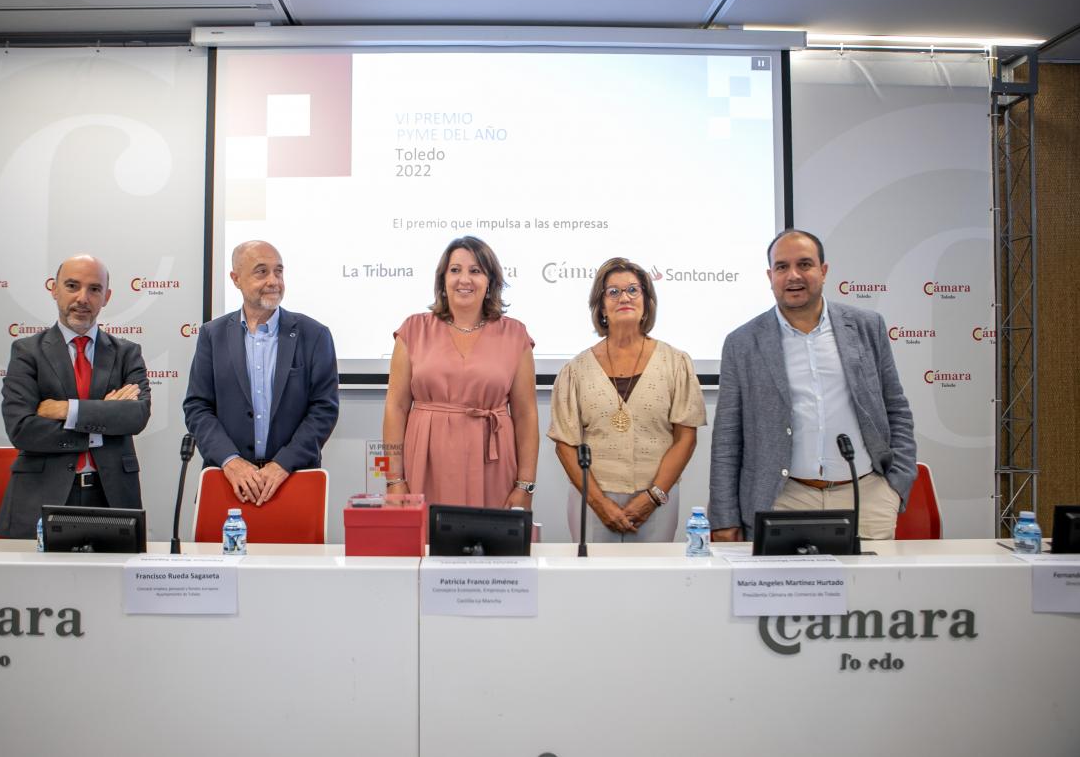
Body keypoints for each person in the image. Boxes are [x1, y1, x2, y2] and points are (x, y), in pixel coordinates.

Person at [708, 229, 917, 541]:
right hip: (783, 499)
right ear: (770, 275)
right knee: (784, 590)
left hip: (866, 495)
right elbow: (727, 437)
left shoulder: (866, 327)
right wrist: (724, 518)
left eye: (804, 264)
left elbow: (896, 408)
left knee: (868, 590)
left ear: (823, 270)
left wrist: (895, 485)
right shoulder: (743, 342)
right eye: (781, 267)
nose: (793, 275)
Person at [547, 258, 706, 542]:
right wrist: (599, 503)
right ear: (601, 306)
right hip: (592, 503)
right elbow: (565, 445)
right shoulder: (575, 370)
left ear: (647, 302)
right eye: (613, 292)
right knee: (593, 583)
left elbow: (686, 438)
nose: (624, 298)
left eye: (633, 290)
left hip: (657, 499)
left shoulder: (676, 363)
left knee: (652, 583)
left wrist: (653, 496)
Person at [0, 254, 150, 538]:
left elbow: (136, 417)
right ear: (54, 289)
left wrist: (68, 410)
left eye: (94, 289)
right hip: (42, 495)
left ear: (107, 297)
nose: (83, 298)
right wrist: (102, 419)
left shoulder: (127, 353)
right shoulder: (27, 352)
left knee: (111, 583)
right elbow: (22, 429)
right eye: (72, 286)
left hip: (112, 497)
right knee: (37, 583)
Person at [382, 236, 538, 509]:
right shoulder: (412, 330)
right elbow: (394, 409)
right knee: (424, 546)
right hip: (425, 463)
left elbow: (526, 416)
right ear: (442, 279)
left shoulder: (515, 334)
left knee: (493, 547)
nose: (464, 279)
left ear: (490, 280)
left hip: (494, 466)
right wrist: (393, 480)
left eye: (475, 271)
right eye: (455, 270)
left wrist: (526, 485)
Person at [183, 240, 339, 504]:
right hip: (227, 479)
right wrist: (231, 462)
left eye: (278, 271)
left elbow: (324, 409)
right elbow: (198, 407)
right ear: (236, 279)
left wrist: (282, 464)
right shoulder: (212, 335)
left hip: (293, 478)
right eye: (261, 271)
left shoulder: (314, 335)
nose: (273, 280)